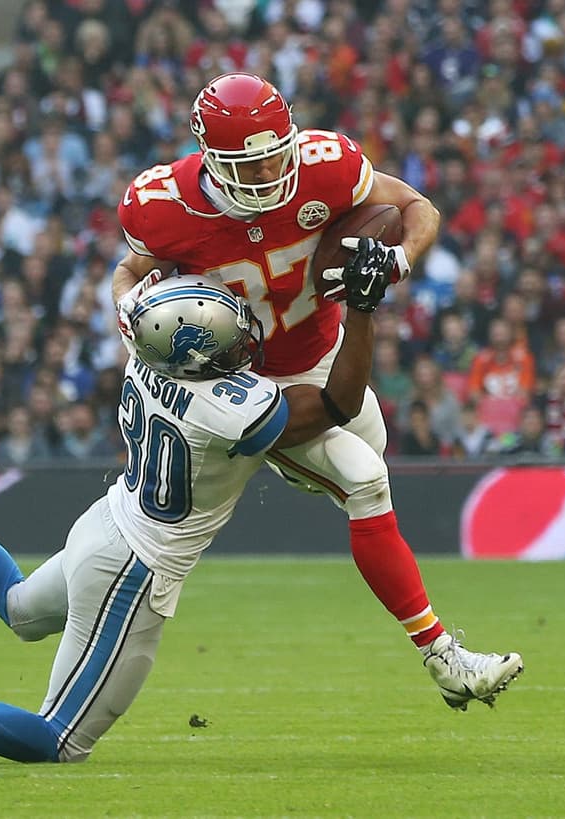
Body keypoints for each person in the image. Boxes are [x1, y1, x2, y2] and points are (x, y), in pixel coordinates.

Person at [0, 276, 522, 763]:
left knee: (20, 606)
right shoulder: (230, 404)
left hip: (110, 516)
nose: (247, 340)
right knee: (58, 739)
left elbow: (153, 294)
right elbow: (335, 403)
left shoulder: (140, 340)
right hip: (136, 566)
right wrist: (361, 308)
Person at [111, 73, 465, 686]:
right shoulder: (164, 206)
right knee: (363, 479)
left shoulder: (326, 166)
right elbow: (130, 271)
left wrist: (398, 262)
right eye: (249, 167)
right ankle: (443, 657)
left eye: (277, 156)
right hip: (245, 385)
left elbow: (416, 208)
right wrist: (130, 311)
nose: (269, 177)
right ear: (210, 163)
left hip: (328, 352)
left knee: (368, 465)